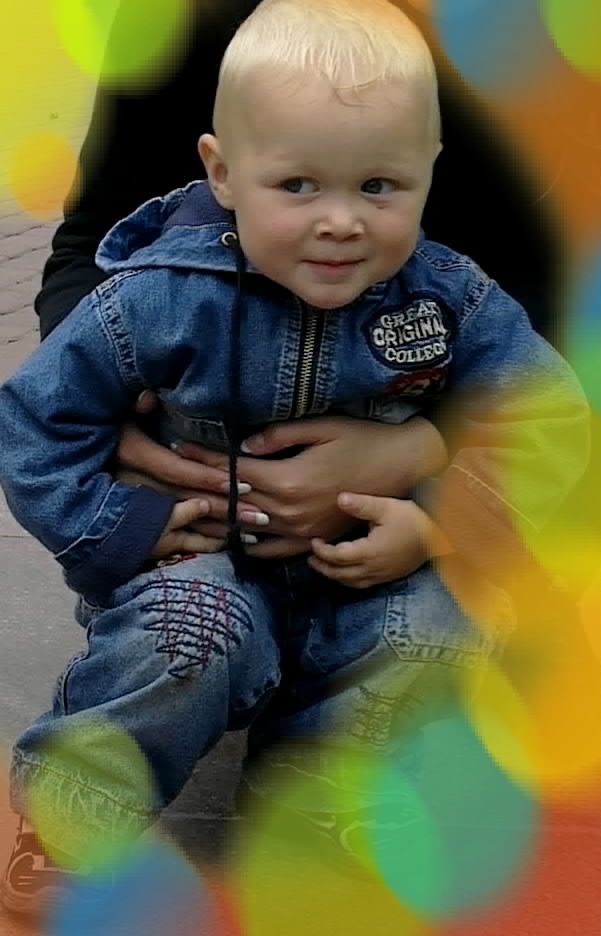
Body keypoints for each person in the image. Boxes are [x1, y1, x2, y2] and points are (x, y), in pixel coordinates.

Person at [0, 0, 587, 917]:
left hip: (373, 565)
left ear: (428, 171)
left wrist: (441, 514)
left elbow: (548, 415)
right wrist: (127, 520)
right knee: (182, 635)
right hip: (202, 562)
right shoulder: (158, 295)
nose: (340, 222)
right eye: (299, 185)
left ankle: (315, 807)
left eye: (379, 186)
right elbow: (37, 421)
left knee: (433, 631)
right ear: (221, 172)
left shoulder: (455, 297)